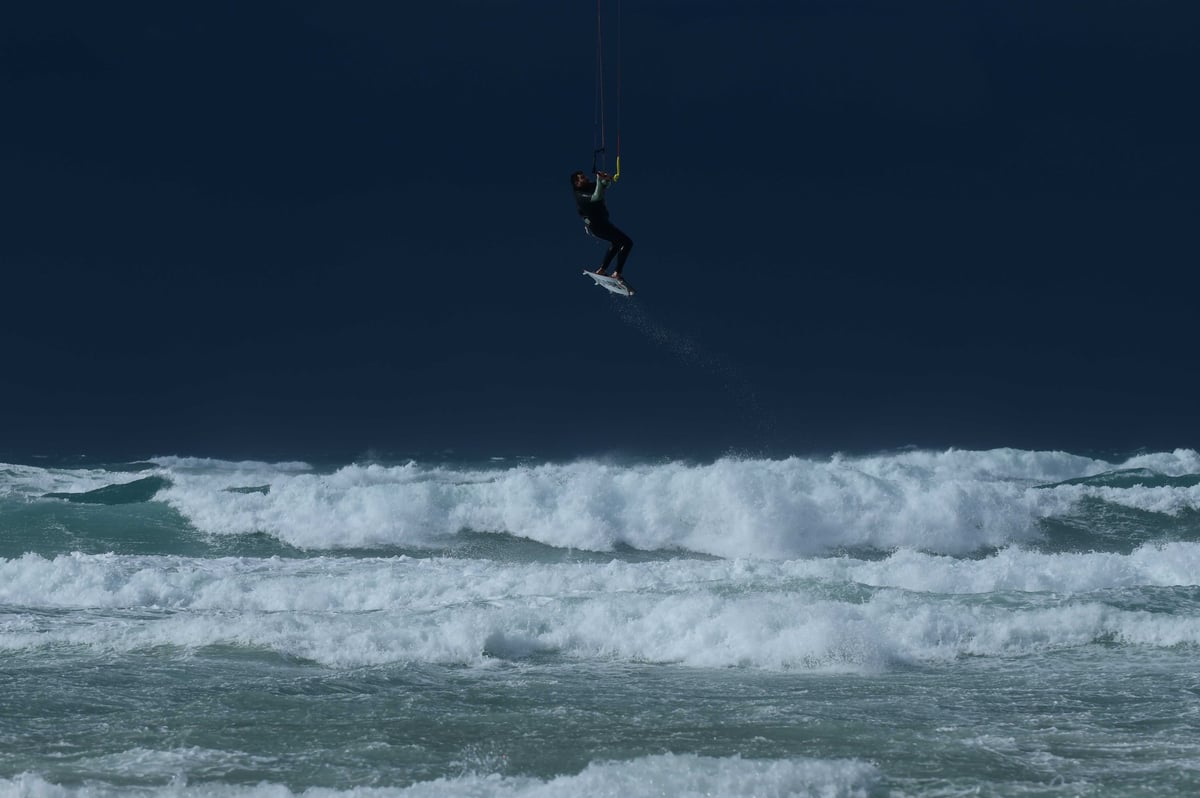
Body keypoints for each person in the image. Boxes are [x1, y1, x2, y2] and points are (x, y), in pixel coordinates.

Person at [571, 170, 633, 281]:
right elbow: (597, 197)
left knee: (617, 243)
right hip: (596, 226)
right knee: (627, 242)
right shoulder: (579, 195)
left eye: (584, 176)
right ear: (577, 183)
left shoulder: (589, 185)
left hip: (603, 223)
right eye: (582, 177)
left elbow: (604, 187)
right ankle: (616, 274)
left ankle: (601, 270)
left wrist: (607, 180)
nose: (586, 178)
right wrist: (600, 181)